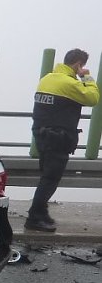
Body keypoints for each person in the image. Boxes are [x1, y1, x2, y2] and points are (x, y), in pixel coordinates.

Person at [26, 49, 100, 232]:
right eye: (81, 66)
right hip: (58, 137)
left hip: (41, 134)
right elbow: (93, 98)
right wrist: (87, 78)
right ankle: (34, 217)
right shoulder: (69, 83)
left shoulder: (47, 79)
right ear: (78, 65)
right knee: (50, 178)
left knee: (46, 175)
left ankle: (41, 212)